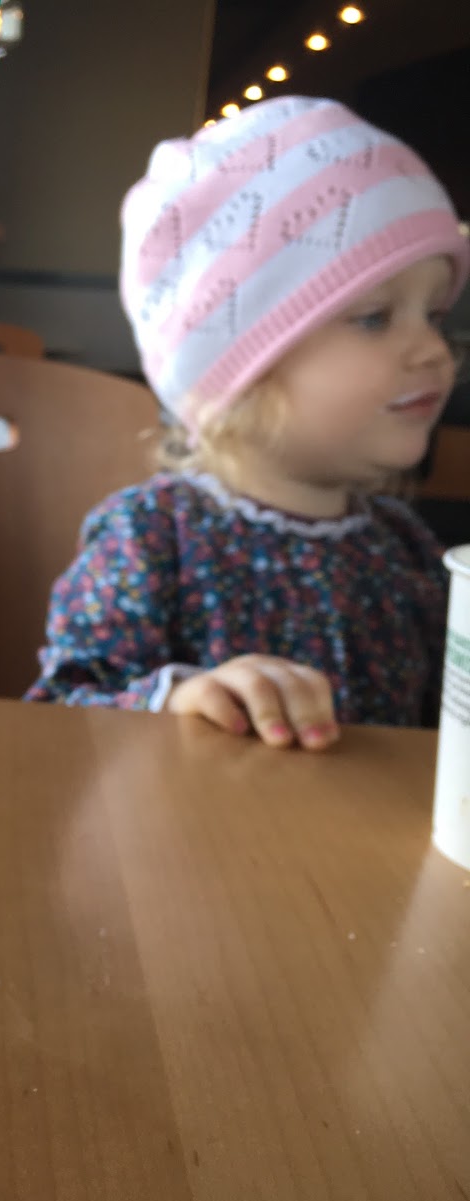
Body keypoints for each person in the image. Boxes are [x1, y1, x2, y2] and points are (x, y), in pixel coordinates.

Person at [26, 96, 469, 749]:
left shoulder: (407, 550)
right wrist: (177, 698)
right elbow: (58, 715)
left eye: (434, 315)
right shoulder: (153, 538)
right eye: (375, 317)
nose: (434, 350)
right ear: (241, 372)